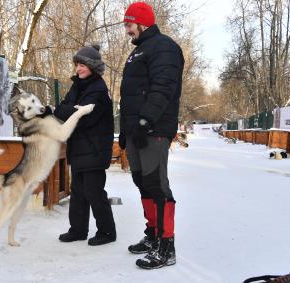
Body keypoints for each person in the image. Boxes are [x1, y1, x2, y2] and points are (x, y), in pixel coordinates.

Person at [119, 2, 185, 269]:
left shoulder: (164, 47)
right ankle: (153, 234)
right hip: (136, 129)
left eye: (129, 24)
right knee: (141, 182)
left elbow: (164, 86)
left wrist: (147, 119)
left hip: (154, 128)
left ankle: (166, 246)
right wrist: (127, 130)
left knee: (156, 184)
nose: (126, 31)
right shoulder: (139, 51)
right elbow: (131, 96)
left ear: (142, 22)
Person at [54, 45, 116, 246]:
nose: (78, 69)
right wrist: (71, 111)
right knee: (79, 191)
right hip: (79, 147)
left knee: (94, 191)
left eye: (82, 65)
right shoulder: (78, 86)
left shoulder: (98, 89)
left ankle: (107, 232)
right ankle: (78, 230)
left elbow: (83, 119)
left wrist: (70, 111)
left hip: (94, 148)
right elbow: (63, 108)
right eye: (77, 65)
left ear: (92, 66)